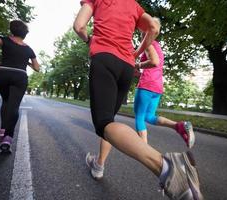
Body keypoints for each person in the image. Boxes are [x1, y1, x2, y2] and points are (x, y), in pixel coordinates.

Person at [73, 1, 203, 199]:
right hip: (126, 66)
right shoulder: (133, 5)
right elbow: (154, 27)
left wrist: (89, 40)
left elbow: (79, 26)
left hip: (105, 58)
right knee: (110, 122)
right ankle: (99, 165)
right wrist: (134, 53)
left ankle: (166, 166)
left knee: (105, 122)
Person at [0, 20, 40, 153]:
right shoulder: (28, 49)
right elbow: (37, 68)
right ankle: (7, 138)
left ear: (12, 30)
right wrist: (27, 62)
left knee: (5, 101)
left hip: (2, 74)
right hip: (19, 77)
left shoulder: (4, 40)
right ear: (25, 34)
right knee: (14, 106)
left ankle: (2, 130)